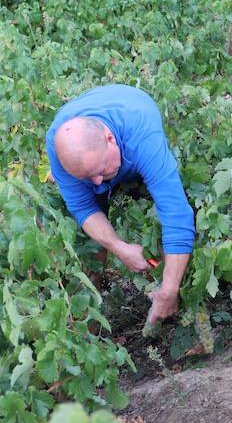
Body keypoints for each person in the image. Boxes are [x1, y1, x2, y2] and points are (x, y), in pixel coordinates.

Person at [46, 85, 195, 327]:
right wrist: (118, 247)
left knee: (162, 204)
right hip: (96, 146)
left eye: (101, 171)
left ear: (110, 140)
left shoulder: (144, 138)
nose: (97, 183)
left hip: (134, 111)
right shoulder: (62, 149)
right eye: (87, 178)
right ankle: (90, 315)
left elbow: (176, 214)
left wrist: (169, 290)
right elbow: (84, 208)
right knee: (94, 246)